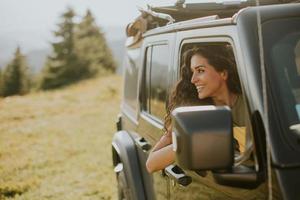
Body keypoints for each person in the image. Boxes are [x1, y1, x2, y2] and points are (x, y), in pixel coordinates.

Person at [146, 44, 246, 173]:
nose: (193, 79)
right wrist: (190, 143)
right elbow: (151, 164)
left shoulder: (252, 107)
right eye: (192, 72)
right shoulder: (192, 113)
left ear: (223, 73)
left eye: (200, 70)